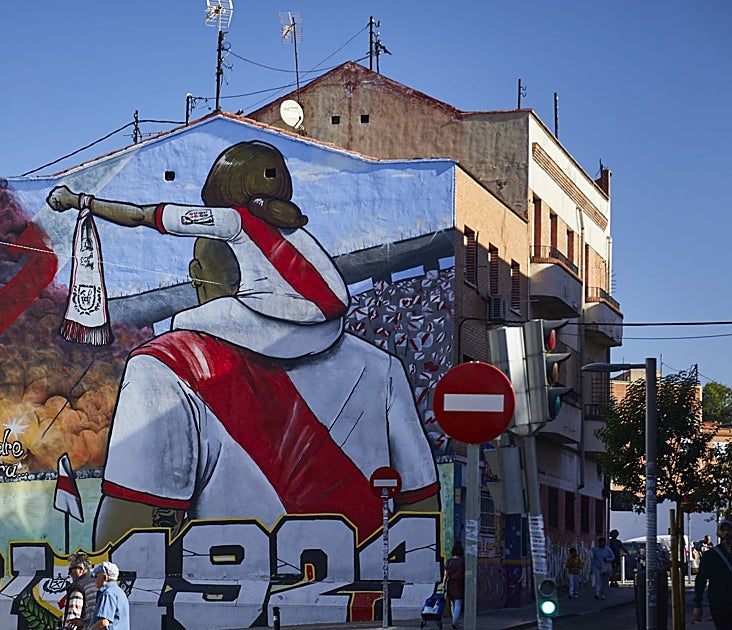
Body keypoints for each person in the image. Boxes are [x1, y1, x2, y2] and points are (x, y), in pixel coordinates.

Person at [47, 141, 440, 548]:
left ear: (198, 276)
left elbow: (143, 216)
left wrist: (80, 201)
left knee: (182, 332)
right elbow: (422, 508)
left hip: (266, 326)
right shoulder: (382, 365)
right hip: (325, 325)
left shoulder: (167, 364)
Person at [62, 552, 98, 629]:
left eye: (70, 569)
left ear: (80, 569)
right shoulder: (97, 583)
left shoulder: (78, 587)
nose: (69, 573)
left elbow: (72, 617)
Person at [89, 561, 129, 630]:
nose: (94, 579)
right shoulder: (119, 592)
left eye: (96, 576)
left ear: (105, 578)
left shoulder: (107, 594)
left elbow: (104, 622)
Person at [443, 543, 464, 628]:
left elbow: (446, 575)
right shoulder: (463, 562)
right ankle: (455, 621)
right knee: (458, 602)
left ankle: (454, 620)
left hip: (450, 583)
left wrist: (443, 584)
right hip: (460, 583)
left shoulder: (448, 561)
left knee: (452, 602)